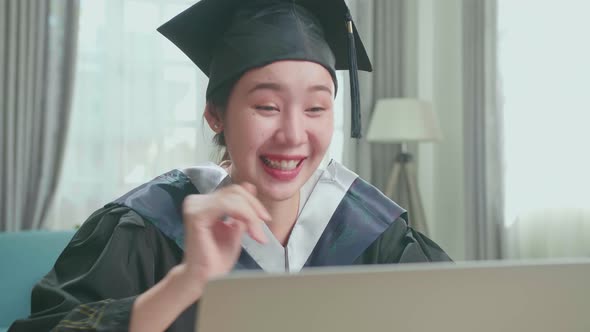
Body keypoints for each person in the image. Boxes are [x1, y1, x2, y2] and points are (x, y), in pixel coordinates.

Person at [9, 0, 451, 331]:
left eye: (316, 107)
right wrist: (187, 282)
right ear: (215, 115)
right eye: (266, 105)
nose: (294, 134)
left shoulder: (375, 234)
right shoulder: (145, 229)